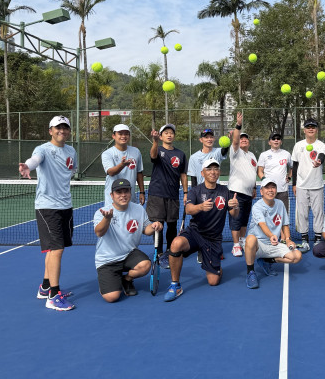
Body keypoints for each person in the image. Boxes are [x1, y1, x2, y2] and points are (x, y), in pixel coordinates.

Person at [19, 115, 77, 311]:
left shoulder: (71, 151)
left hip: (66, 205)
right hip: (47, 207)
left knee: (55, 249)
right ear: (50, 130)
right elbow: (35, 159)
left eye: (65, 127)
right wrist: (28, 166)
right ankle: (53, 296)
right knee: (56, 249)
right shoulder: (42, 149)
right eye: (58, 127)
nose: (62, 130)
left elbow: (71, 171)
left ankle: (45, 287)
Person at [164, 158, 239, 302]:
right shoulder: (195, 191)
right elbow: (188, 209)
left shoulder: (225, 191)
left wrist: (235, 206)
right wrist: (200, 207)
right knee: (176, 243)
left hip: (213, 238)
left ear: (219, 172)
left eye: (216, 169)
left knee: (213, 281)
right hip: (195, 233)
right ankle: (175, 285)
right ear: (202, 173)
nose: (213, 172)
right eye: (209, 169)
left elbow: (234, 214)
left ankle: (216, 267)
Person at [93, 179, 162, 302]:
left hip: (129, 254)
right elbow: (99, 232)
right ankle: (109, 281)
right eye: (119, 192)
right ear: (112, 195)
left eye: (126, 191)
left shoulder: (138, 209)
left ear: (131, 193)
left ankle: (126, 279)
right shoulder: (102, 213)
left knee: (145, 265)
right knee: (111, 297)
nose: (123, 195)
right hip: (107, 260)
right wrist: (107, 219)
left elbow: (146, 230)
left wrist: (154, 226)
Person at [244, 177, 302, 289]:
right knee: (250, 239)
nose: (270, 190)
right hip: (257, 246)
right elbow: (262, 224)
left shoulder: (280, 204)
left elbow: (285, 224)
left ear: (276, 190)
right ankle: (250, 272)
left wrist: (288, 239)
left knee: (297, 256)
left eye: (273, 187)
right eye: (267, 188)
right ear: (261, 191)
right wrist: (271, 235)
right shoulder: (257, 207)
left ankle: (266, 261)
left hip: (273, 244)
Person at [147, 124, 188, 269]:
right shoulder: (157, 149)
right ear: (161, 136)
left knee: (172, 225)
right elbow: (153, 156)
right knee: (158, 225)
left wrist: (185, 193)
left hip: (173, 195)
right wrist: (155, 141)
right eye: (166, 133)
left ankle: (171, 251)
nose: (169, 135)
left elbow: (183, 175)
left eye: (171, 133)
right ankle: (159, 253)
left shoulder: (181, 154)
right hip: (157, 194)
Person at [291, 117, 325, 252]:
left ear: (316, 130)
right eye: (308, 127)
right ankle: (304, 240)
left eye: (313, 127)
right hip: (301, 185)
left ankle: (318, 239)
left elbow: (322, 155)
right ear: (304, 130)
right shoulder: (298, 145)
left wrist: (319, 161)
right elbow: (295, 165)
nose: (311, 129)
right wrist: (294, 184)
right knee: (302, 214)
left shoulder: (321, 145)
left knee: (318, 213)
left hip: (317, 185)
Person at [228, 112, 257, 257]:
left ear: (249, 142)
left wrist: (254, 187)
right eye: (241, 138)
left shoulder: (252, 155)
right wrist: (238, 125)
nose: (243, 140)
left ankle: (242, 241)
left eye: (246, 138)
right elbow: (235, 141)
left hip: (248, 193)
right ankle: (235, 245)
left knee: (245, 219)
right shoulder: (235, 151)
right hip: (236, 192)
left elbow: (253, 172)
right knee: (236, 219)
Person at [101, 124, 145, 207]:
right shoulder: (107, 154)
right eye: (120, 134)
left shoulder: (136, 152)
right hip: (113, 200)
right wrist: (122, 165)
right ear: (114, 136)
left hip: (130, 198)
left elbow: (139, 172)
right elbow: (110, 172)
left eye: (126, 134)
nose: (123, 136)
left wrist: (142, 192)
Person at [257, 131, 292, 214]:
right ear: (269, 142)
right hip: (268, 191)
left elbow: (292, 167)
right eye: (273, 139)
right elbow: (259, 171)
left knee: (283, 215)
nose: (276, 140)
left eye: (278, 139)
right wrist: (265, 181)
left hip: (282, 190)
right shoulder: (264, 155)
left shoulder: (287, 154)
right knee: (268, 215)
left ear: (281, 142)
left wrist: (289, 176)